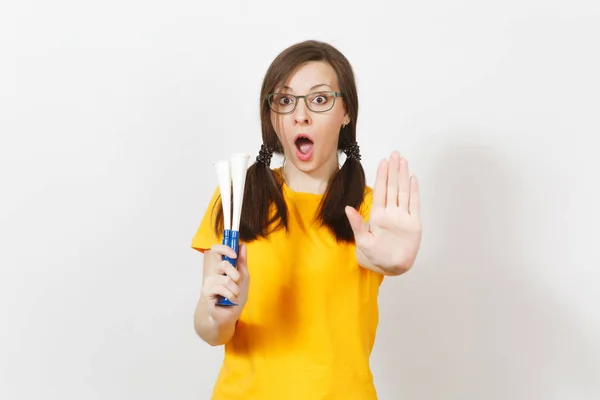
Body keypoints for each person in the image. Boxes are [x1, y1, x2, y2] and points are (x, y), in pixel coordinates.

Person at [191, 40, 422, 400]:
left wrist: (395, 263)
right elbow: (210, 331)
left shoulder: (370, 212)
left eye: (319, 99)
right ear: (272, 115)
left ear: (346, 112)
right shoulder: (237, 198)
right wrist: (220, 315)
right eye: (285, 100)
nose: (301, 115)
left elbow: (379, 257)